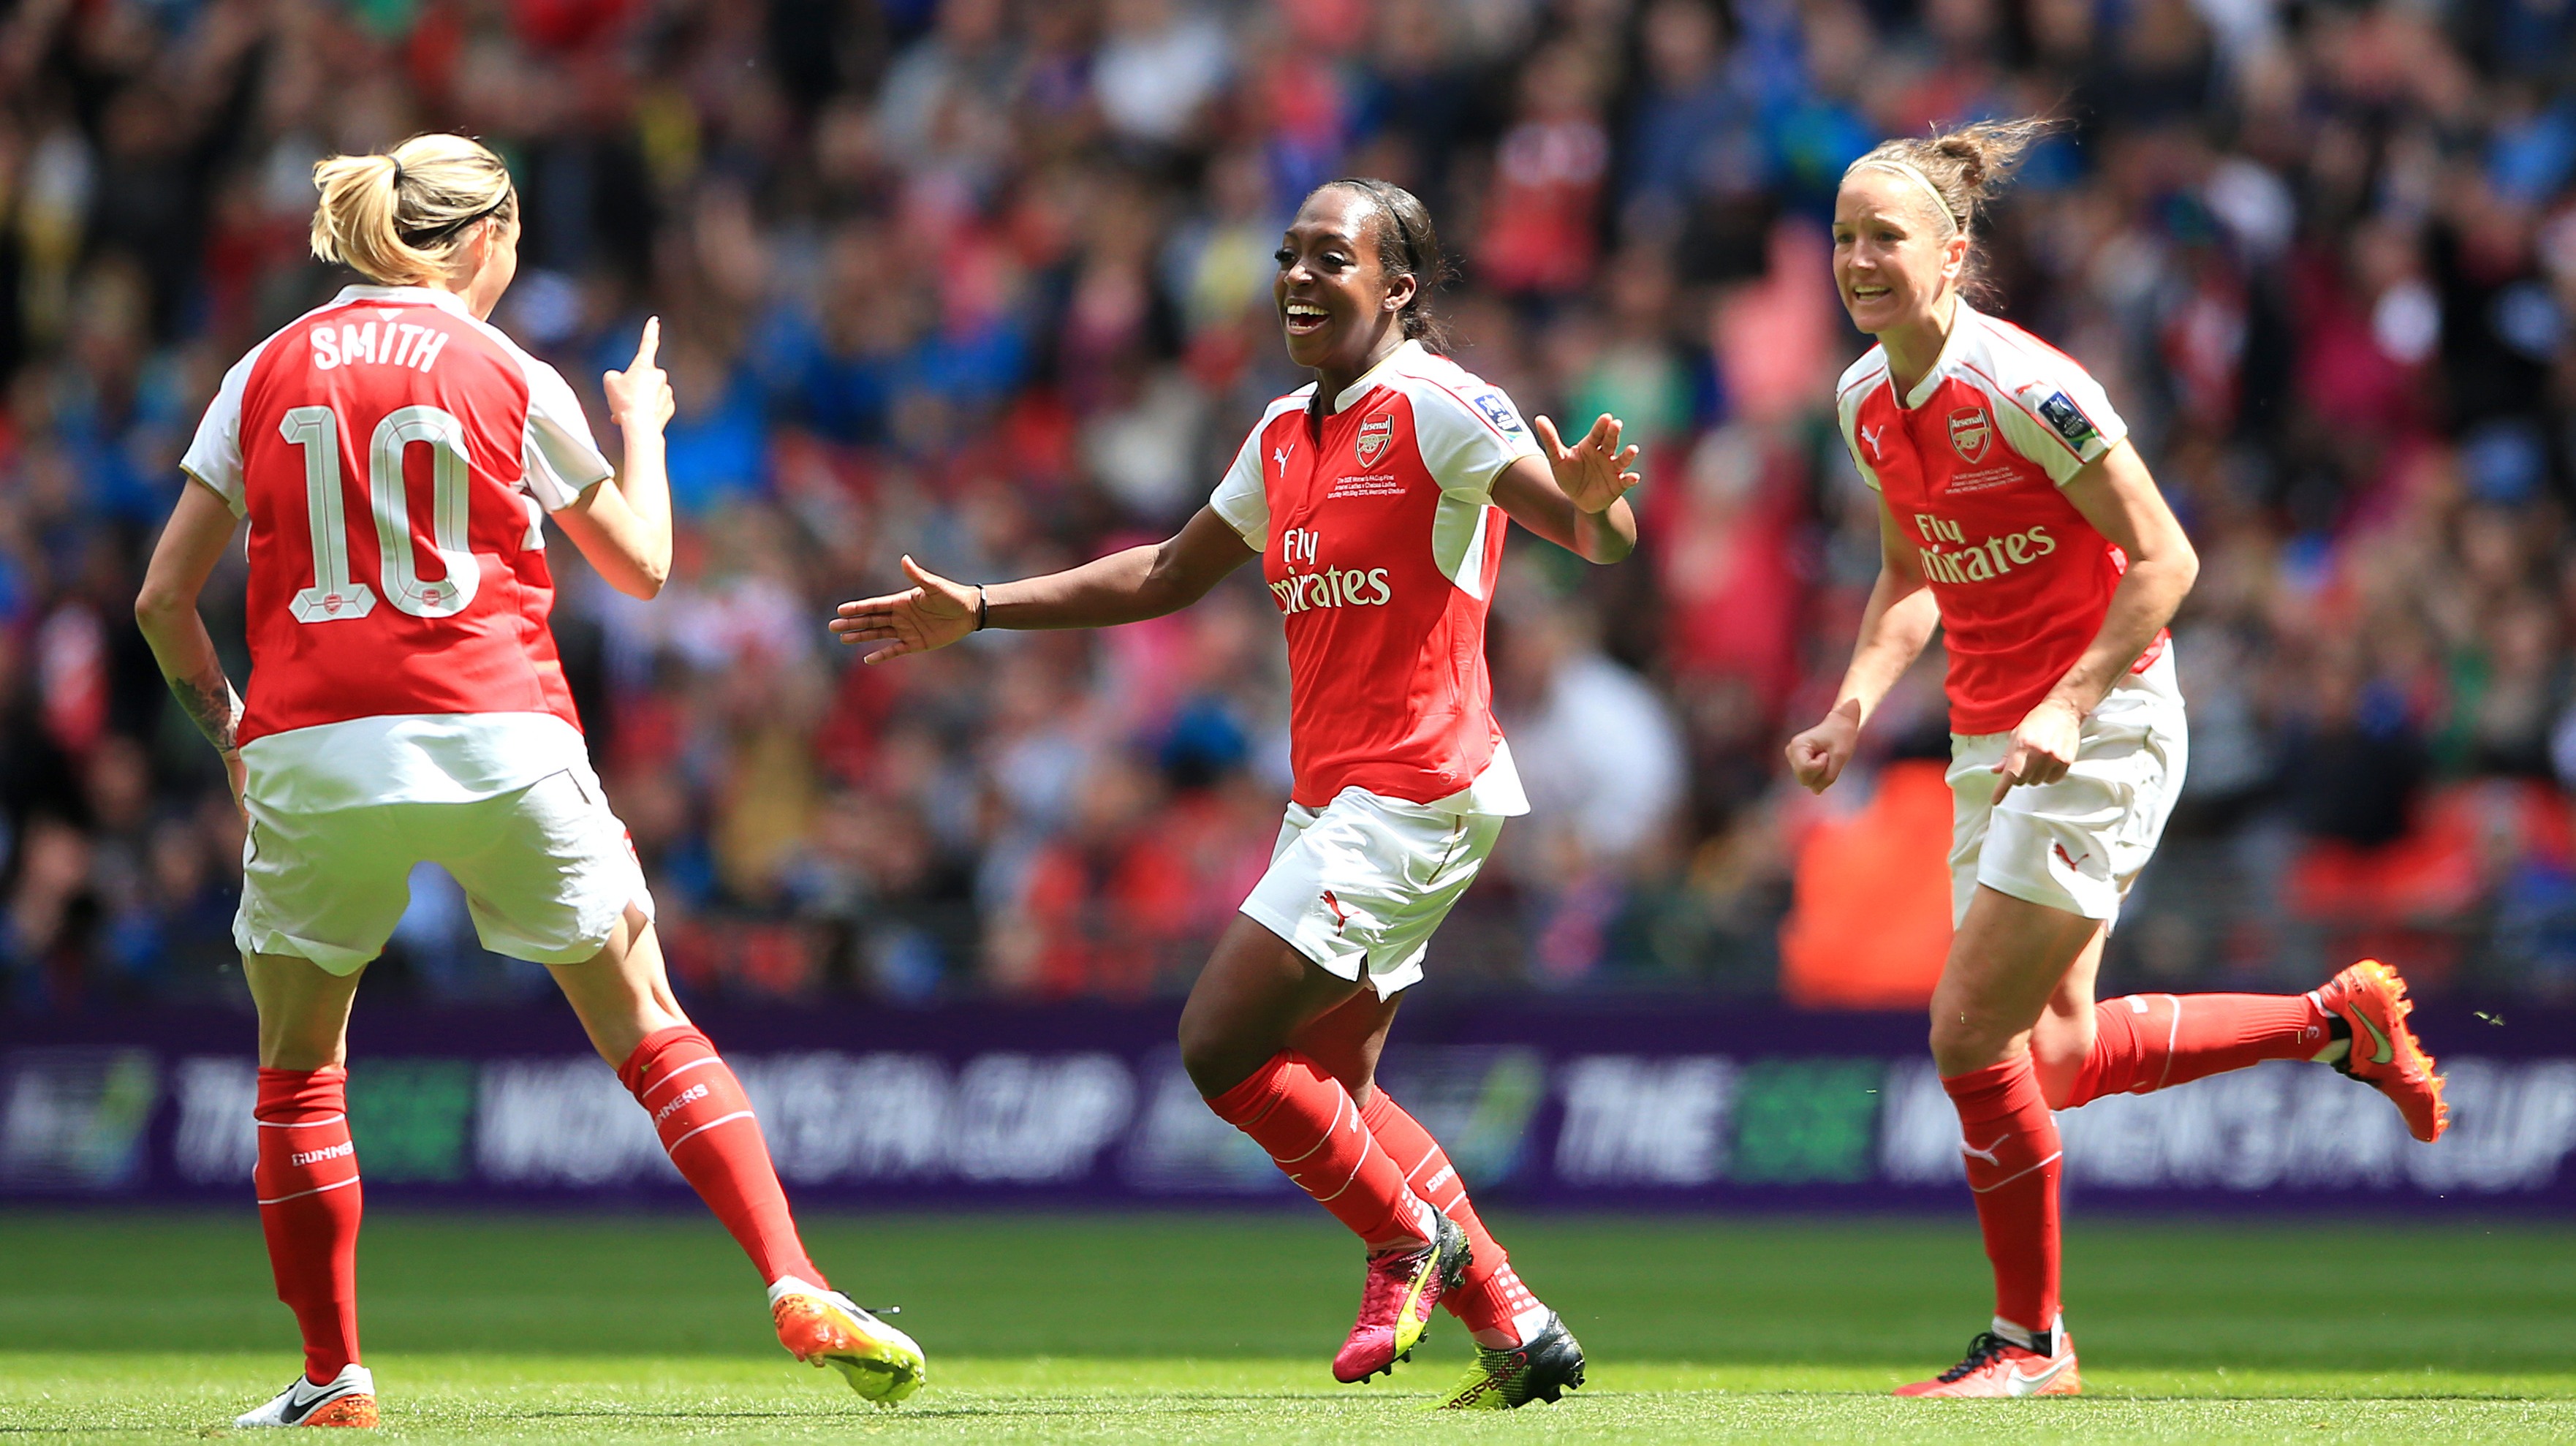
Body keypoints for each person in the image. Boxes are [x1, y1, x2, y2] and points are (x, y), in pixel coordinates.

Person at [133, 135, 925, 1428]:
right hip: (498, 728)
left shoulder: (262, 369)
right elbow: (645, 567)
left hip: (313, 744)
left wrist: (230, 726)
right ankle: (793, 1274)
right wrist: (643, 426)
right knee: (649, 1019)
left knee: (298, 1067)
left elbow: (163, 597)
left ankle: (335, 1375)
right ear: (485, 238)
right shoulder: (505, 368)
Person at [833, 178, 1636, 1410]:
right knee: (1339, 1093)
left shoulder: (1442, 407)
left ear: (1400, 287)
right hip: (1338, 796)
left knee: (1218, 1045)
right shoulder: (1283, 431)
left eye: (1333, 258)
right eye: (1288, 256)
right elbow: (1163, 571)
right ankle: (1514, 1320)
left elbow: (1594, 537)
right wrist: (984, 609)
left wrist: (1595, 499)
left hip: (1416, 782)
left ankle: (1405, 1243)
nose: (1300, 279)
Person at [1786, 118, 2450, 1400]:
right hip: (1994, 741)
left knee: (1968, 1029)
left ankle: (2031, 1345)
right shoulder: (1866, 397)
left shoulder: (2031, 387)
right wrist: (1855, 705)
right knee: (2057, 1059)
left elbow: (2168, 560)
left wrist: (2071, 701)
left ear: (1955, 252)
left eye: (1886, 237)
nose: (1859, 259)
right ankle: (2335, 1025)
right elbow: (1909, 576)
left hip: (2100, 729)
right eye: (1843, 238)